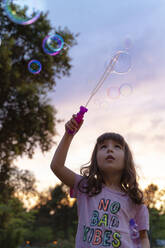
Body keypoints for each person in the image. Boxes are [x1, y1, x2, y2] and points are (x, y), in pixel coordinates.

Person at [50, 114, 150, 248]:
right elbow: (57, 166)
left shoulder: (134, 199)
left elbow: (143, 237)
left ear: (126, 159)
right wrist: (69, 135)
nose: (109, 149)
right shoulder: (85, 187)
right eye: (103, 147)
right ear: (96, 159)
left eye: (117, 147)